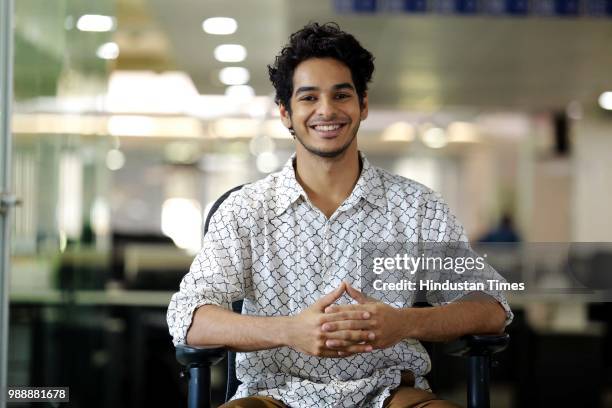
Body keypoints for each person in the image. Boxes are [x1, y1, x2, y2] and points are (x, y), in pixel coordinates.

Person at [167, 22, 512, 408]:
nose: (326, 110)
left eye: (341, 95)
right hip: (274, 397)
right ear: (285, 112)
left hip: (391, 394)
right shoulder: (246, 210)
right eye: (309, 98)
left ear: (363, 105)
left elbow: (491, 307)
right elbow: (189, 317)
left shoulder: (417, 207)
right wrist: (289, 331)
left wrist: (404, 324)